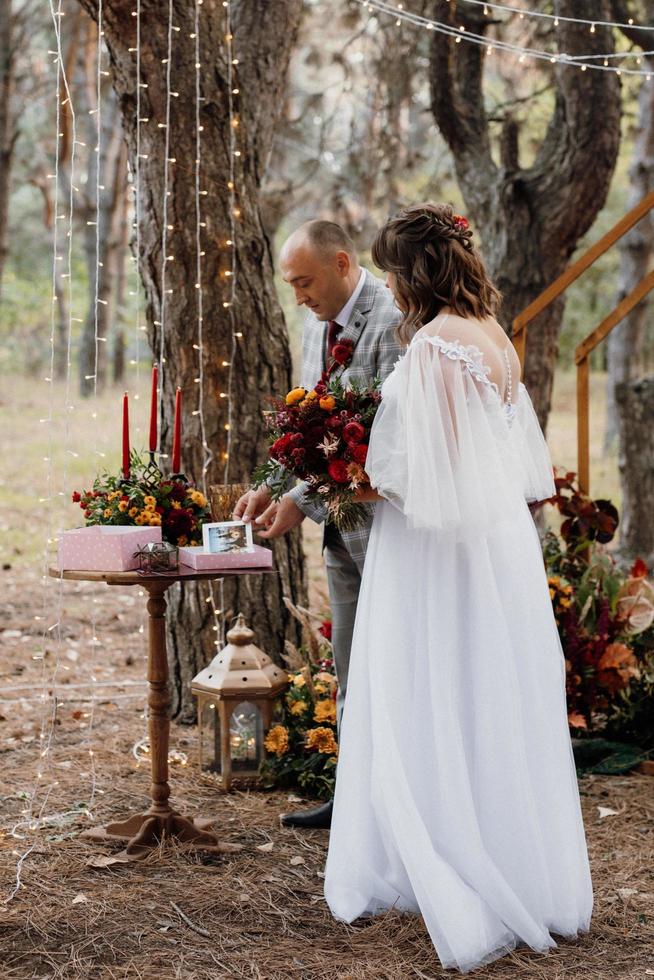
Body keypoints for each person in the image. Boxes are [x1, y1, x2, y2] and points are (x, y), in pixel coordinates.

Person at [323, 203, 593, 973]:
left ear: (414, 273)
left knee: (430, 687)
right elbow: (501, 463)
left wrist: (354, 481)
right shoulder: (495, 340)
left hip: (436, 551)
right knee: (485, 691)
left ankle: (450, 859)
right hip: (494, 544)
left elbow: (427, 474)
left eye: (396, 271)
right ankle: (498, 850)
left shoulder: (440, 342)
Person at [233, 219, 403, 829]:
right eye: (292, 286)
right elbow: (306, 427)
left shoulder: (393, 319)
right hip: (339, 528)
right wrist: (269, 486)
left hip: (388, 528)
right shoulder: (313, 325)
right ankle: (354, 799)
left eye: (304, 282)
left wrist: (298, 501)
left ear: (340, 263)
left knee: (398, 664)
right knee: (352, 665)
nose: (298, 297)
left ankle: (399, 801)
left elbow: (379, 441)